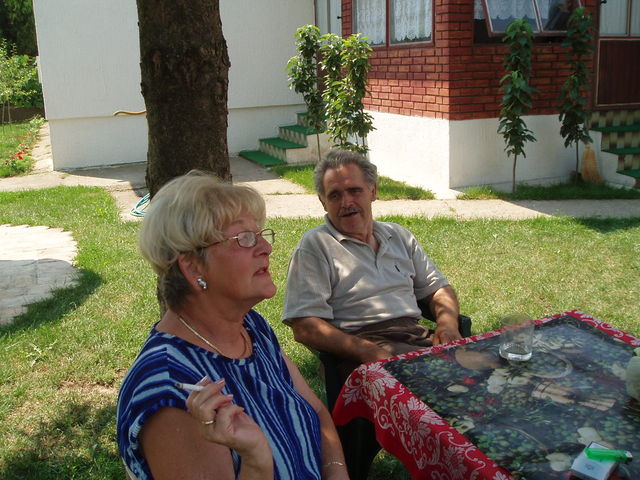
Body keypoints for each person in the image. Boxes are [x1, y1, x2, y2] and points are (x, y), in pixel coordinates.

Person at [117, 170, 348, 480]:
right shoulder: (172, 388)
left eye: (260, 234)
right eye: (244, 238)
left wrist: (336, 472)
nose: (266, 247)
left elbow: (317, 413)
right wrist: (256, 460)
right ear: (193, 267)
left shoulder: (250, 329)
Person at [282, 149, 463, 378]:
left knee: (492, 370)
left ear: (373, 191)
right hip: (361, 351)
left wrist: (448, 324)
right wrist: (365, 350)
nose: (346, 202)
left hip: (416, 339)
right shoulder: (315, 246)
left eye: (354, 190)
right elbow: (304, 326)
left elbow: (438, 288)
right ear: (323, 202)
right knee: (443, 385)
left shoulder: (398, 236)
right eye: (335, 195)